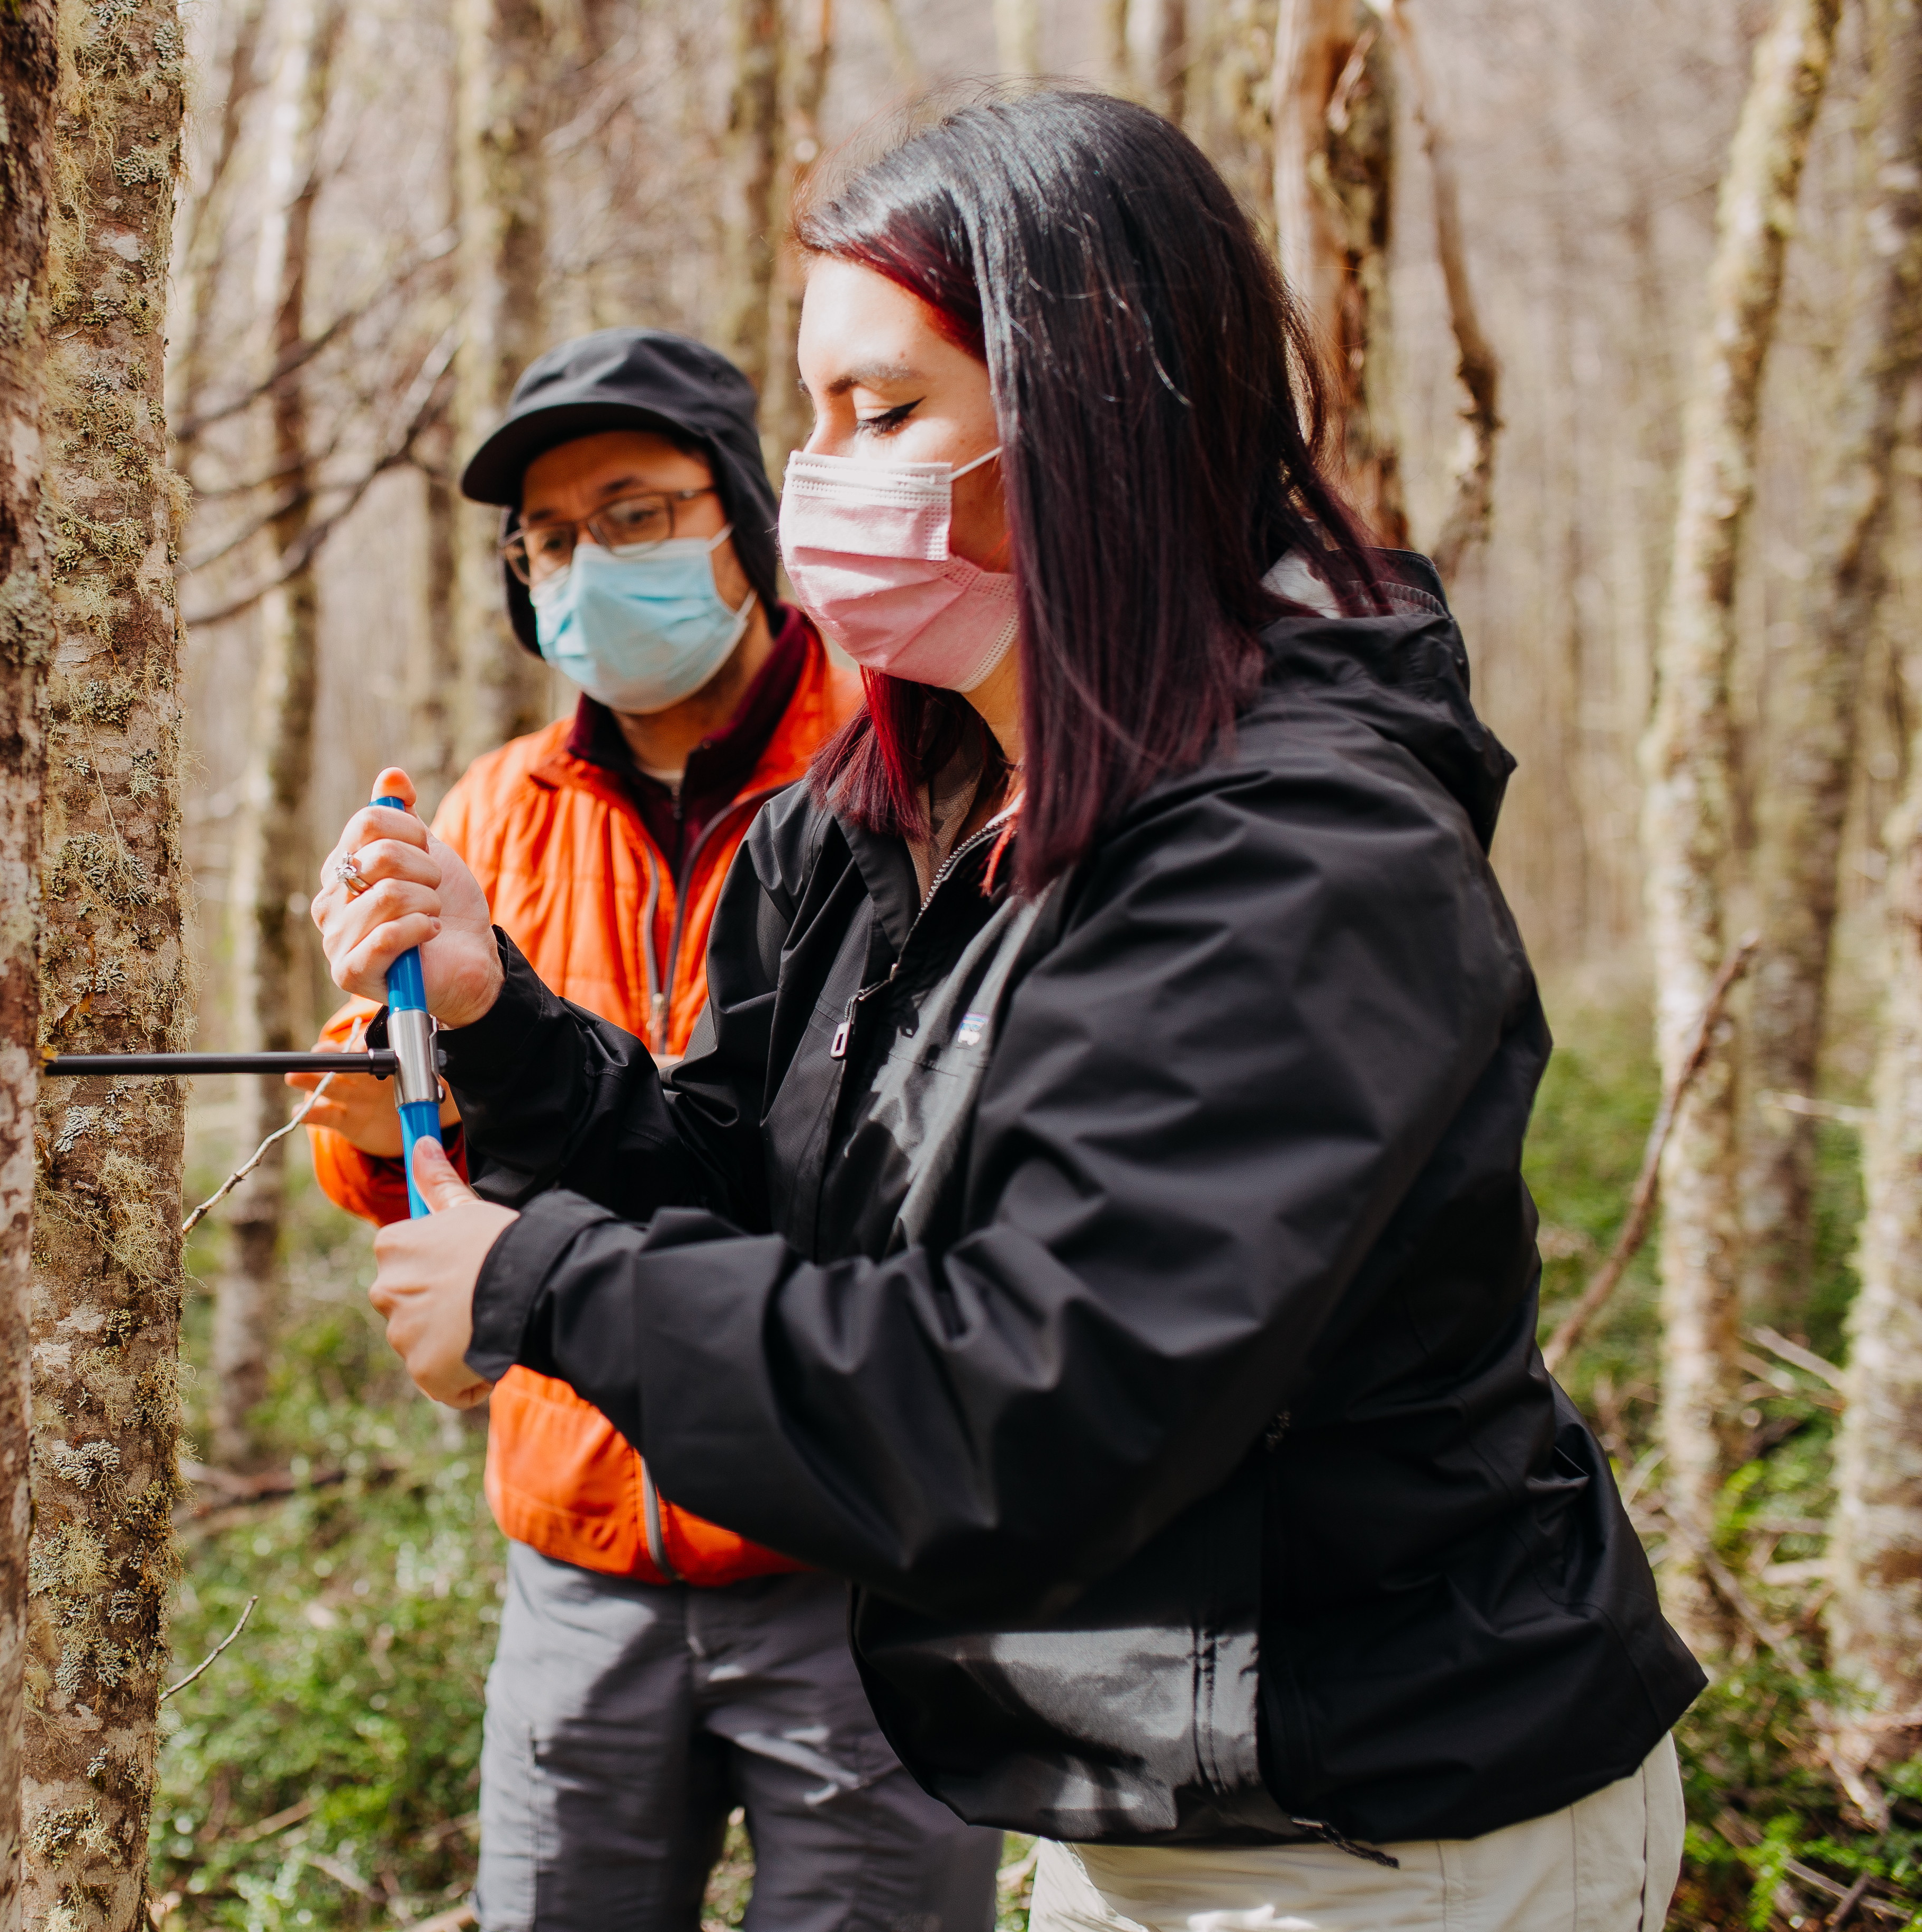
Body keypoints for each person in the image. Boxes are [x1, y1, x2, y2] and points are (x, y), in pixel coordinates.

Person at [314, 90, 1704, 1932]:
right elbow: (740, 1182)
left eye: (885, 414)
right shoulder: (884, 819)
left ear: (1095, 413)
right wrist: (499, 1032)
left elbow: (1037, 1402)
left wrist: (536, 1287)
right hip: (1117, 1796)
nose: (825, 475)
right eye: (813, 414)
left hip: (1379, 1825)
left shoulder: (1298, 854)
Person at [295, 327, 1003, 1932]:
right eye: (548, 540)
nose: (585, 568)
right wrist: (362, 1109)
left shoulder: (900, 765)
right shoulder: (487, 817)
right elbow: (406, 1163)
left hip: (850, 1541)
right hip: (580, 1546)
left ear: (742, 524)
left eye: (634, 516)